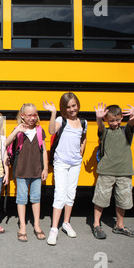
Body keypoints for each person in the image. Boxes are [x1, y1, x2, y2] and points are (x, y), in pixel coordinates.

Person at [43, 92, 87, 245]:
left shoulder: (83, 122)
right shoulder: (61, 120)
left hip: (75, 163)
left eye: (73, 105)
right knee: (60, 194)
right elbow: (51, 131)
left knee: (71, 193)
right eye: (68, 107)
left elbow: (84, 137)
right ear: (64, 108)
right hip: (61, 162)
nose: (71, 109)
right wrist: (53, 113)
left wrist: (82, 150)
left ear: (77, 105)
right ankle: (54, 228)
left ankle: (66, 223)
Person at [92, 103, 134, 239]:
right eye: (111, 120)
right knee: (101, 199)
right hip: (106, 171)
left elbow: (132, 122)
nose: (115, 123)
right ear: (107, 120)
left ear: (121, 119)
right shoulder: (105, 132)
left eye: (118, 119)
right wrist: (99, 118)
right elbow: (100, 127)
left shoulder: (126, 131)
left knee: (122, 200)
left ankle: (120, 225)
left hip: (124, 171)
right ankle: (96, 224)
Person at [6, 104, 48, 242]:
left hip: (36, 170)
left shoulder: (39, 130)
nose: (32, 118)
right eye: (29, 115)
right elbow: (5, 143)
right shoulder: (18, 130)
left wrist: (45, 169)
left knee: (36, 199)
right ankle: (22, 226)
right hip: (21, 170)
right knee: (21, 199)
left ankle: (36, 225)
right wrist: (16, 131)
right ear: (22, 115)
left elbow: (44, 152)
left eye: (34, 115)